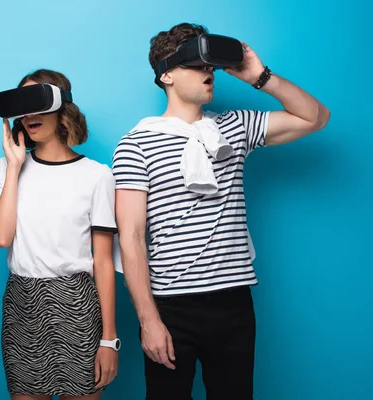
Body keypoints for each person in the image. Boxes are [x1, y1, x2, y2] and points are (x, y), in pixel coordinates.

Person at [112, 23, 330, 399]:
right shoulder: (135, 144)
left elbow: (315, 118)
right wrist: (149, 321)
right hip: (171, 305)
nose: (209, 74)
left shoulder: (235, 127)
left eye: (211, 67)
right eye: (198, 66)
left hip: (233, 301)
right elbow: (131, 237)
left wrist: (261, 77)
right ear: (166, 74)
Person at [0, 69, 120, 400]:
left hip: (77, 302)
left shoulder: (97, 176)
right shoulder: (5, 169)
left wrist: (109, 339)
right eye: (22, 106)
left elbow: (103, 262)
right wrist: (15, 166)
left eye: (37, 103)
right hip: (23, 302)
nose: (28, 114)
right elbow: (1, 237)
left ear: (62, 107)